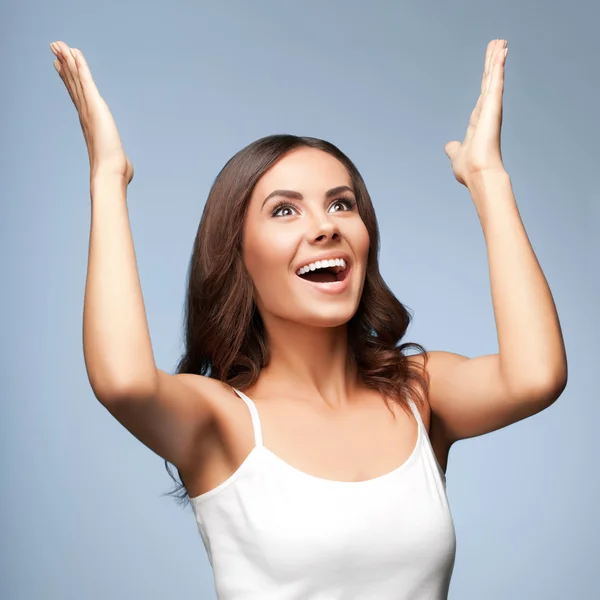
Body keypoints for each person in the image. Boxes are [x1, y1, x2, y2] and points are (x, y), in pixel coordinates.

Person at [49, 38, 567, 600]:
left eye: (342, 203)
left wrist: (488, 178)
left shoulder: (420, 393)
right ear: (237, 255)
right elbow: (121, 381)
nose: (325, 226)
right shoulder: (222, 421)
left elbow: (536, 376)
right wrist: (107, 176)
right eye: (284, 210)